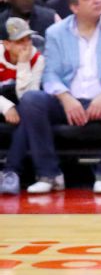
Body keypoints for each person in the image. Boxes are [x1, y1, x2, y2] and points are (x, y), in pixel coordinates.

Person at [25, 0, 101, 194]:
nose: (97, 0)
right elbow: (50, 75)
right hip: (69, 101)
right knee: (32, 100)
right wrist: (65, 98)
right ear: (74, 7)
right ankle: (49, 174)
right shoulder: (56, 32)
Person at [0, 17, 44, 195]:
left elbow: (28, 97)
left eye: (28, 39)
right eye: (20, 41)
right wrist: (6, 106)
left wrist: (23, 64)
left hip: (23, 109)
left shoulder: (36, 59)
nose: (26, 45)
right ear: (6, 44)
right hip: (4, 104)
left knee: (29, 114)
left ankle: (11, 171)